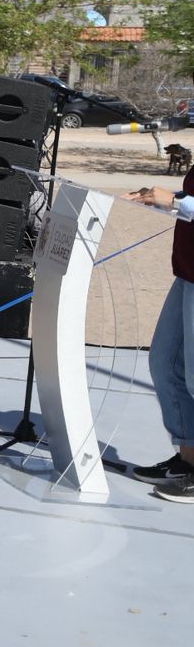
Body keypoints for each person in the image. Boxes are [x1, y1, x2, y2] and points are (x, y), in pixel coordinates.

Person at [127, 177, 194, 501]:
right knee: (165, 365)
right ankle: (187, 461)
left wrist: (178, 202)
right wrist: (164, 198)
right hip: (188, 272)